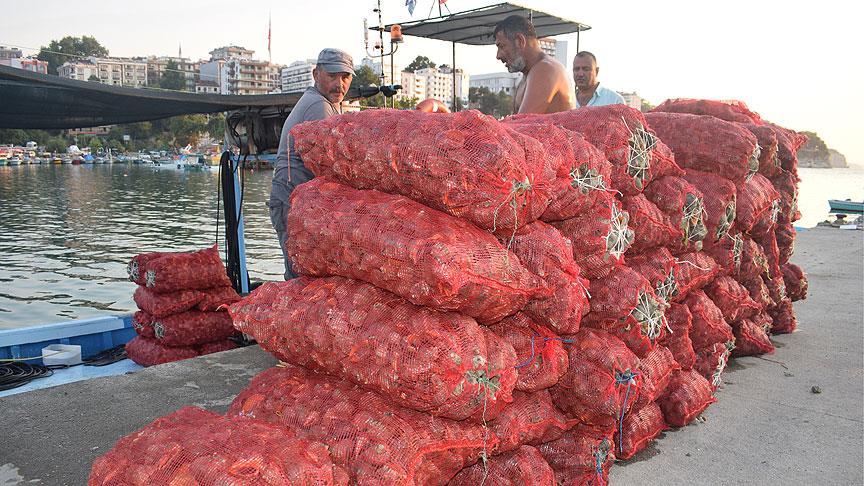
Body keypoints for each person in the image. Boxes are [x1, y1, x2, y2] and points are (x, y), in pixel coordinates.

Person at [269, 48, 354, 280]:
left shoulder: (327, 103)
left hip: (299, 203)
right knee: (301, 277)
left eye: (345, 77)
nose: (339, 84)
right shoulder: (319, 106)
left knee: (304, 273)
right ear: (316, 74)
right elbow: (331, 162)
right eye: (332, 76)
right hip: (291, 203)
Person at [493, 15, 574, 114]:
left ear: (520, 41)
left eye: (501, 46)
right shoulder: (526, 76)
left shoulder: (546, 69)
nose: (498, 56)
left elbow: (521, 124)